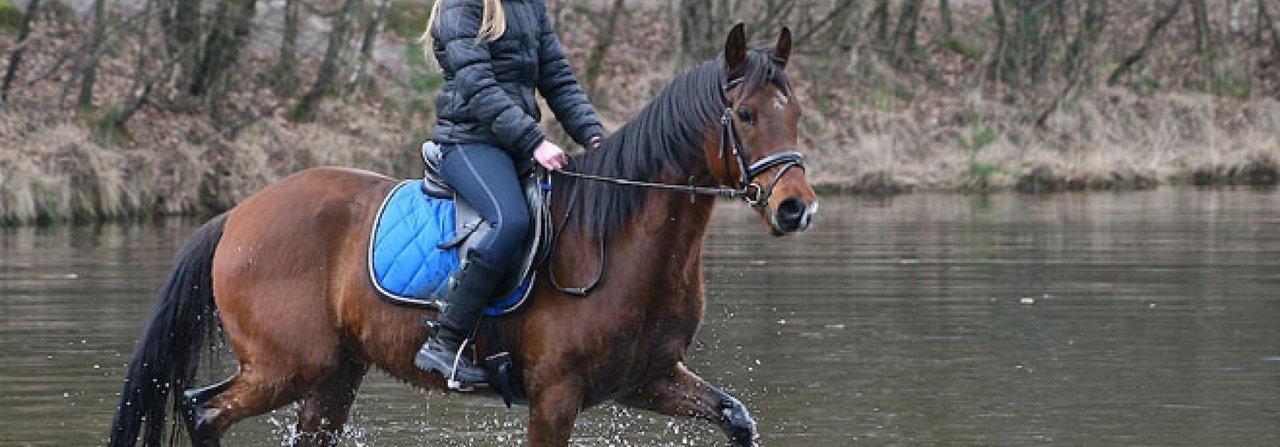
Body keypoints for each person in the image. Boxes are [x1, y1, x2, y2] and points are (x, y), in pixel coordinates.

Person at [414, 0, 604, 384]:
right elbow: (476, 84)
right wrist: (535, 141)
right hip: (468, 141)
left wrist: (597, 139)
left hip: (514, 144)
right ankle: (445, 341)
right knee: (511, 220)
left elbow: (558, 78)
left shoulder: (530, 5)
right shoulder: (461, 5)